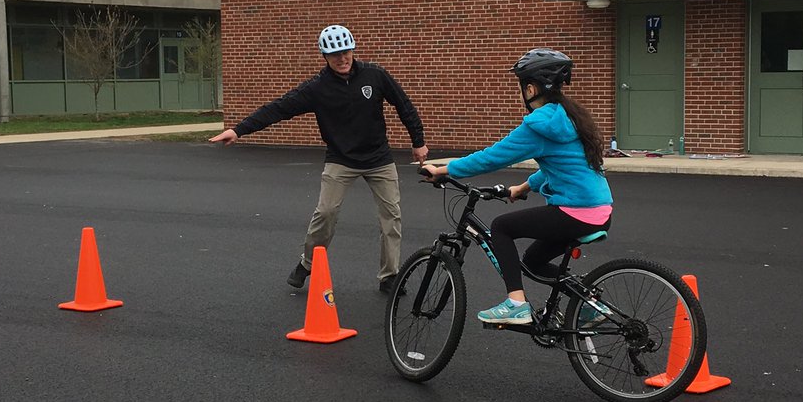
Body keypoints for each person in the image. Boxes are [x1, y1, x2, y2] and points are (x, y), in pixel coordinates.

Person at [209, 24, 429, 293]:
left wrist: (418, 141)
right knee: (325, 212)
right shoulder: (317, 87)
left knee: (391, 217)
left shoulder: (376, 75)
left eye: (346, 52)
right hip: (341, 159)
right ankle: (307, 263)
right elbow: (279, 108)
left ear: (352, 50)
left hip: (379, 158)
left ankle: (389, 276)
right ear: (325, 56)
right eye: (335, 54)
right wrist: (239, 130)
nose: (342, 59)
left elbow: (403, 104)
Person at [420, 48, 612, 324]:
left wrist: (443, 169)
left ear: (531, 88)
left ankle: (516, 304)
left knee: (501, 227)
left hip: (576, 211)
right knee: (531, 261)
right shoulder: (569, 117)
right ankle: (590, 304)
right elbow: (560, 167)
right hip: (599, 211)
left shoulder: (540, 125)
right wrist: (523, 187)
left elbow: (492, 158)